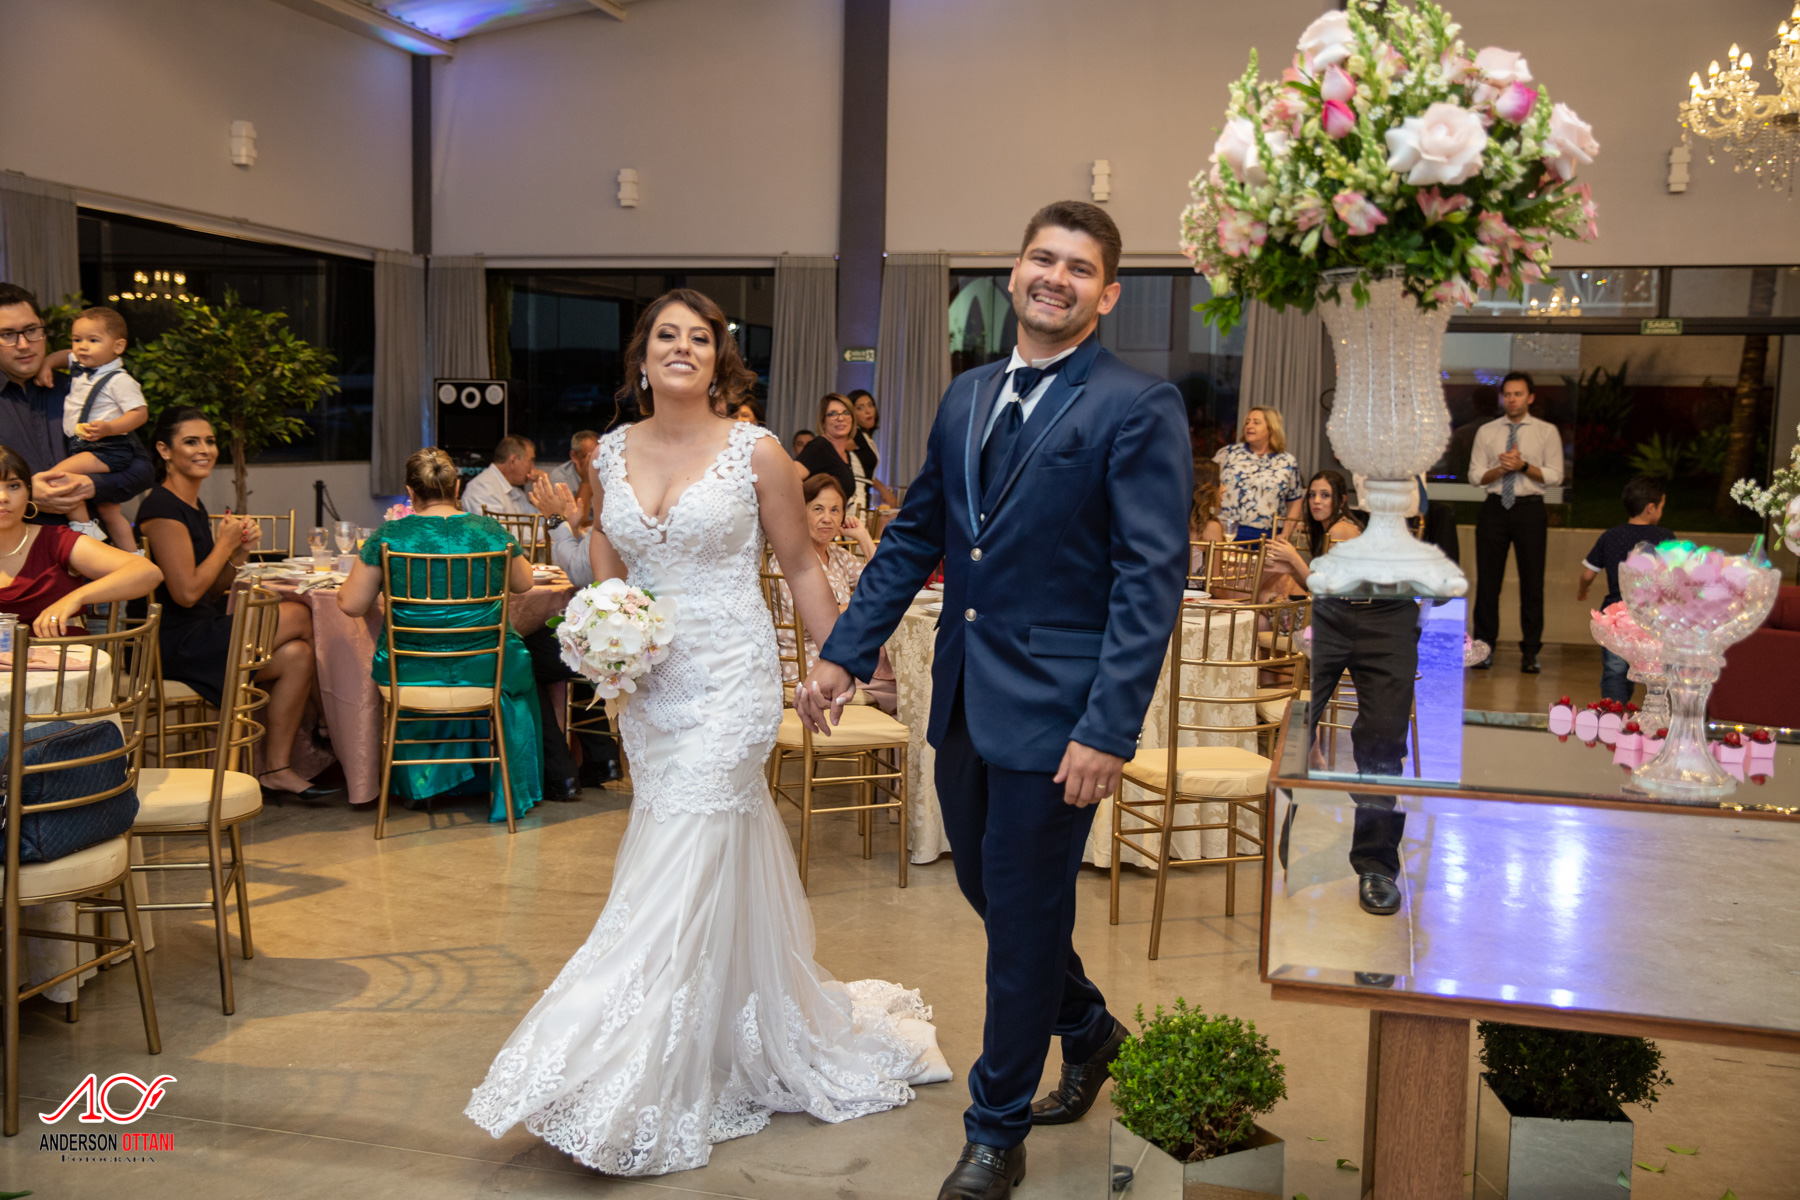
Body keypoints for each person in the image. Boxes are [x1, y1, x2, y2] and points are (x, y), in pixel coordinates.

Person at [466, 287, 948, 1174]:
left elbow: (800, 564)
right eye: (666, 335)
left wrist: (839, 661)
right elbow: (609, 554)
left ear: (717, 359)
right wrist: (609, 626)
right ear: (642, 357)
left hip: (729, 676)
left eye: (699, 337)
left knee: (677, 854)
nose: (681, 347)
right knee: (687, 842)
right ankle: (726, 1028)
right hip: (651, 686)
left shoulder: (756, 452)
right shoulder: (612, 451)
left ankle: (615, 1071)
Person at [799, 201, 1191, 1200]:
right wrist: (845, 653)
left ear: (1107, 295)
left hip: (1061, 714)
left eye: (1079, 267)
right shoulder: (968, 394)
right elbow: (916, 536)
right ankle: (1089, 1028)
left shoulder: (1136, 405)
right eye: (1041, 258)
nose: (1055, 277)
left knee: (1018, 921)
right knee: (991, 892)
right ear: (1014, 274)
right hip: (967, 698)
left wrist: (1108, 727)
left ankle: (995, 1131)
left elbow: (1149, 579)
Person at [136, 408, 336, 803]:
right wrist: (224, 544)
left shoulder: (191, 506)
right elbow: (186, 594)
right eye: (191, 441)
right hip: (174, 644)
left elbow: (210, 592)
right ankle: (328, 722)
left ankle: (276, 769)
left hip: (199, 631)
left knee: (298, 655)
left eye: (209, 441)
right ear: (164, 450)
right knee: (298, 613)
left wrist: (238, 553)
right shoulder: (161, 510)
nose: (205, 449)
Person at [338, 447, 544, 822]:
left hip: (411, 671)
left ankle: (424, 784)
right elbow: (525, 583)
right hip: (487, 668)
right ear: (457, 488)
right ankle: (494, 779)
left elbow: (351, 604)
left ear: (410, 492)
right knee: (517, 662)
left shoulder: (388, 535)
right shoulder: (490, 531)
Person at [0, 283, 152, 525]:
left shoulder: (80, 387)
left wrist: (91, 485)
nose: (24, 344)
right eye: (7, 335)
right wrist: (24, 493)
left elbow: (142, 469)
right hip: (19, 543)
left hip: (92, 540)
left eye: (31, 330)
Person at [1307, 596, 1422, 916]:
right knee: (1295, 729)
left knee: (1382, 746)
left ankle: (1376, 865)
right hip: (1327, 610)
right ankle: (1283, 839)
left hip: (1391, 613)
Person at [524, 473, 625, 788]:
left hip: (614, 636)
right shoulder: (634, 504)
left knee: (523, 654)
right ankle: (602, 756)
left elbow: (581, 572)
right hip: (627, 627)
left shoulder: (613, 511)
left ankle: (559, 771)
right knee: (574, 642)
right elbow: (597, 560)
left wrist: (555, 522)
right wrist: (575, 528)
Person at [0, 444, 161, 635]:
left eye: (13, 486)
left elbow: (148, 573)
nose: (3, 497)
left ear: (28, 493)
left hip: (63, 653)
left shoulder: (54, 540)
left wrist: (75, 598)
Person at [772, 473, 895, 711]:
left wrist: (863, 537)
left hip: (841, 655)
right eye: (818, 509)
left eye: (835, 510)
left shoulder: (838, 555)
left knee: (908, 678)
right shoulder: (788, 559)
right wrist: (862, 605)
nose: (827, 518)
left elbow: (884, 584)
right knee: (903, 683)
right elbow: (811, 620)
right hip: (810, 664)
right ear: (801, 512)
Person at [1469, 371, 1565, 673]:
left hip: (1530, 510)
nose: (1512, 400)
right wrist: (1501, 469)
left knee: (1532, 583)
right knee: (1488, 583)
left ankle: (1531, 652)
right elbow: (1475, 476)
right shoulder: (1486, 431)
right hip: (1494, 508)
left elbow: (1555, 476)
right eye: (1507, 394)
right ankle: (1484, 649)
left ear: (1530, 397)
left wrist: (1522, 466)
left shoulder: (1546, 431)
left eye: (1518, 394)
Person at [45, 306, 146, 548]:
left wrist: (109, 428)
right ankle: (133, 557)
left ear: (118, 346)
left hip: (107, 447)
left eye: (93, 340)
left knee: (58, 478)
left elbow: (140, 413)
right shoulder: (79, 364)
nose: (82, 347)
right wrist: (46, 364)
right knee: (110, 511)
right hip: (85, 446)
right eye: (77, 339)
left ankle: (85, 530)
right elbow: (63, 356)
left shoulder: (120, 380)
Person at [1578, 476, 1672, 705]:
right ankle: (1656, 714)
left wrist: (1583, 590)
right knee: (1657, 670)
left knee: (1615, 669)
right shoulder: (1664, 538)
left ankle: (1613, 712)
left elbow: (1587, 574)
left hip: (1617, 616)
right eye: (1661, 507)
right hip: (1652, 616)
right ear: (1651, 508)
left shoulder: (1610, 536)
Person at [1265, 470, 1364, 594]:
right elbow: (1313, 585)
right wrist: (1292, 568)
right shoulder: (1328, 527)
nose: (1316, 501)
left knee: (1266, 593)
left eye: (1325, 495)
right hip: (1335, 601)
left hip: (1349, 604)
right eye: (1312, 495)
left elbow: (1326, 589)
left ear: (1342, 500)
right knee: (1271, 588)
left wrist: (1293, 557)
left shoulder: (1340, 529)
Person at [1213, 406, 1302, 542]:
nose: (1249, 426)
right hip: (1225, 533)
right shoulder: (1228, 453)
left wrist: (1285, 534)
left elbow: (1295, 501)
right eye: (1247, 422)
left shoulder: (1287, 461)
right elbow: (1208, 483)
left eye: (1256, 422)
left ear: (1271, 428)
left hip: (1267, 538)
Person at [794, 392, 863, 512]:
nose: (840, 418)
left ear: (852, 419)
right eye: (833, 414)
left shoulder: (845, 454)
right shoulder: (819, 447)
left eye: (846, 413)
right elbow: (790, 479)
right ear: (823, 422)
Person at [460, 435, 540, 516]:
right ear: (513, 461)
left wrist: (542, 489)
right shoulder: (482, 488)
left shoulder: (517, 492)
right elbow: (493, 524)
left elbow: (539, 522)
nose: (533, 468)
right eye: (530, 462)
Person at [847, 389, 901, 509]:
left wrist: (883, 489)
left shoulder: (864, 437)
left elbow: (865, 472)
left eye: (870, 405)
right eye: (860, 408)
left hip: (861, 499)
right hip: (853, 500)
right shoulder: (854, 435)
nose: (868, 411)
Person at [1187, 460, 1225, 579]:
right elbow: (1215, 582)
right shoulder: (1210, 527)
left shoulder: (1171, 521)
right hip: (1195, 591)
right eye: (1219, 483)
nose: (1224, 488)